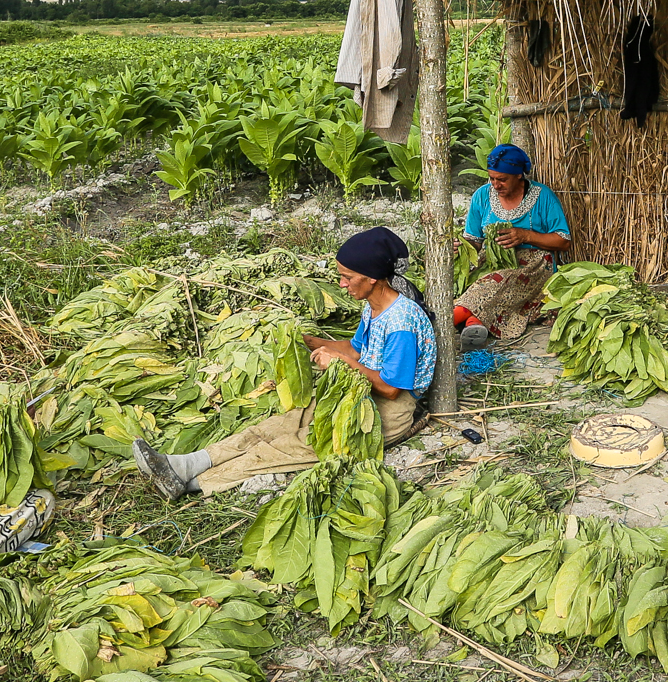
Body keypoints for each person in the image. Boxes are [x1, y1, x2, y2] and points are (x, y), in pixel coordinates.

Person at [133, 228, 433, 499]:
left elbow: (391, 389)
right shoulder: (374, 308)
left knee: (296, 445)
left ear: (371, 277)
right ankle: (185, 464)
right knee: (277, 425)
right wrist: (305, 341)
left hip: (388, 411)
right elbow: (356, 350)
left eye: (348, 277)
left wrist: (340, 362)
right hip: (358, 393)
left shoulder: (401, 323)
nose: (342, 284)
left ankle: (194, 483)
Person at [454, 143, 571, 349]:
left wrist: (526, 235)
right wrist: (462, 246)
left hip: (533, 265)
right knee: (480, 282)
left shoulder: (542, 197)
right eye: (492, 178)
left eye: (502, 179)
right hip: (491, 259)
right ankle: (474, 324)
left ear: (519, 175)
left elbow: (563, 240)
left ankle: (441, 323)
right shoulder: (482, 196)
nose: (496, 185)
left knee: (496, 283)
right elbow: (474, 239)